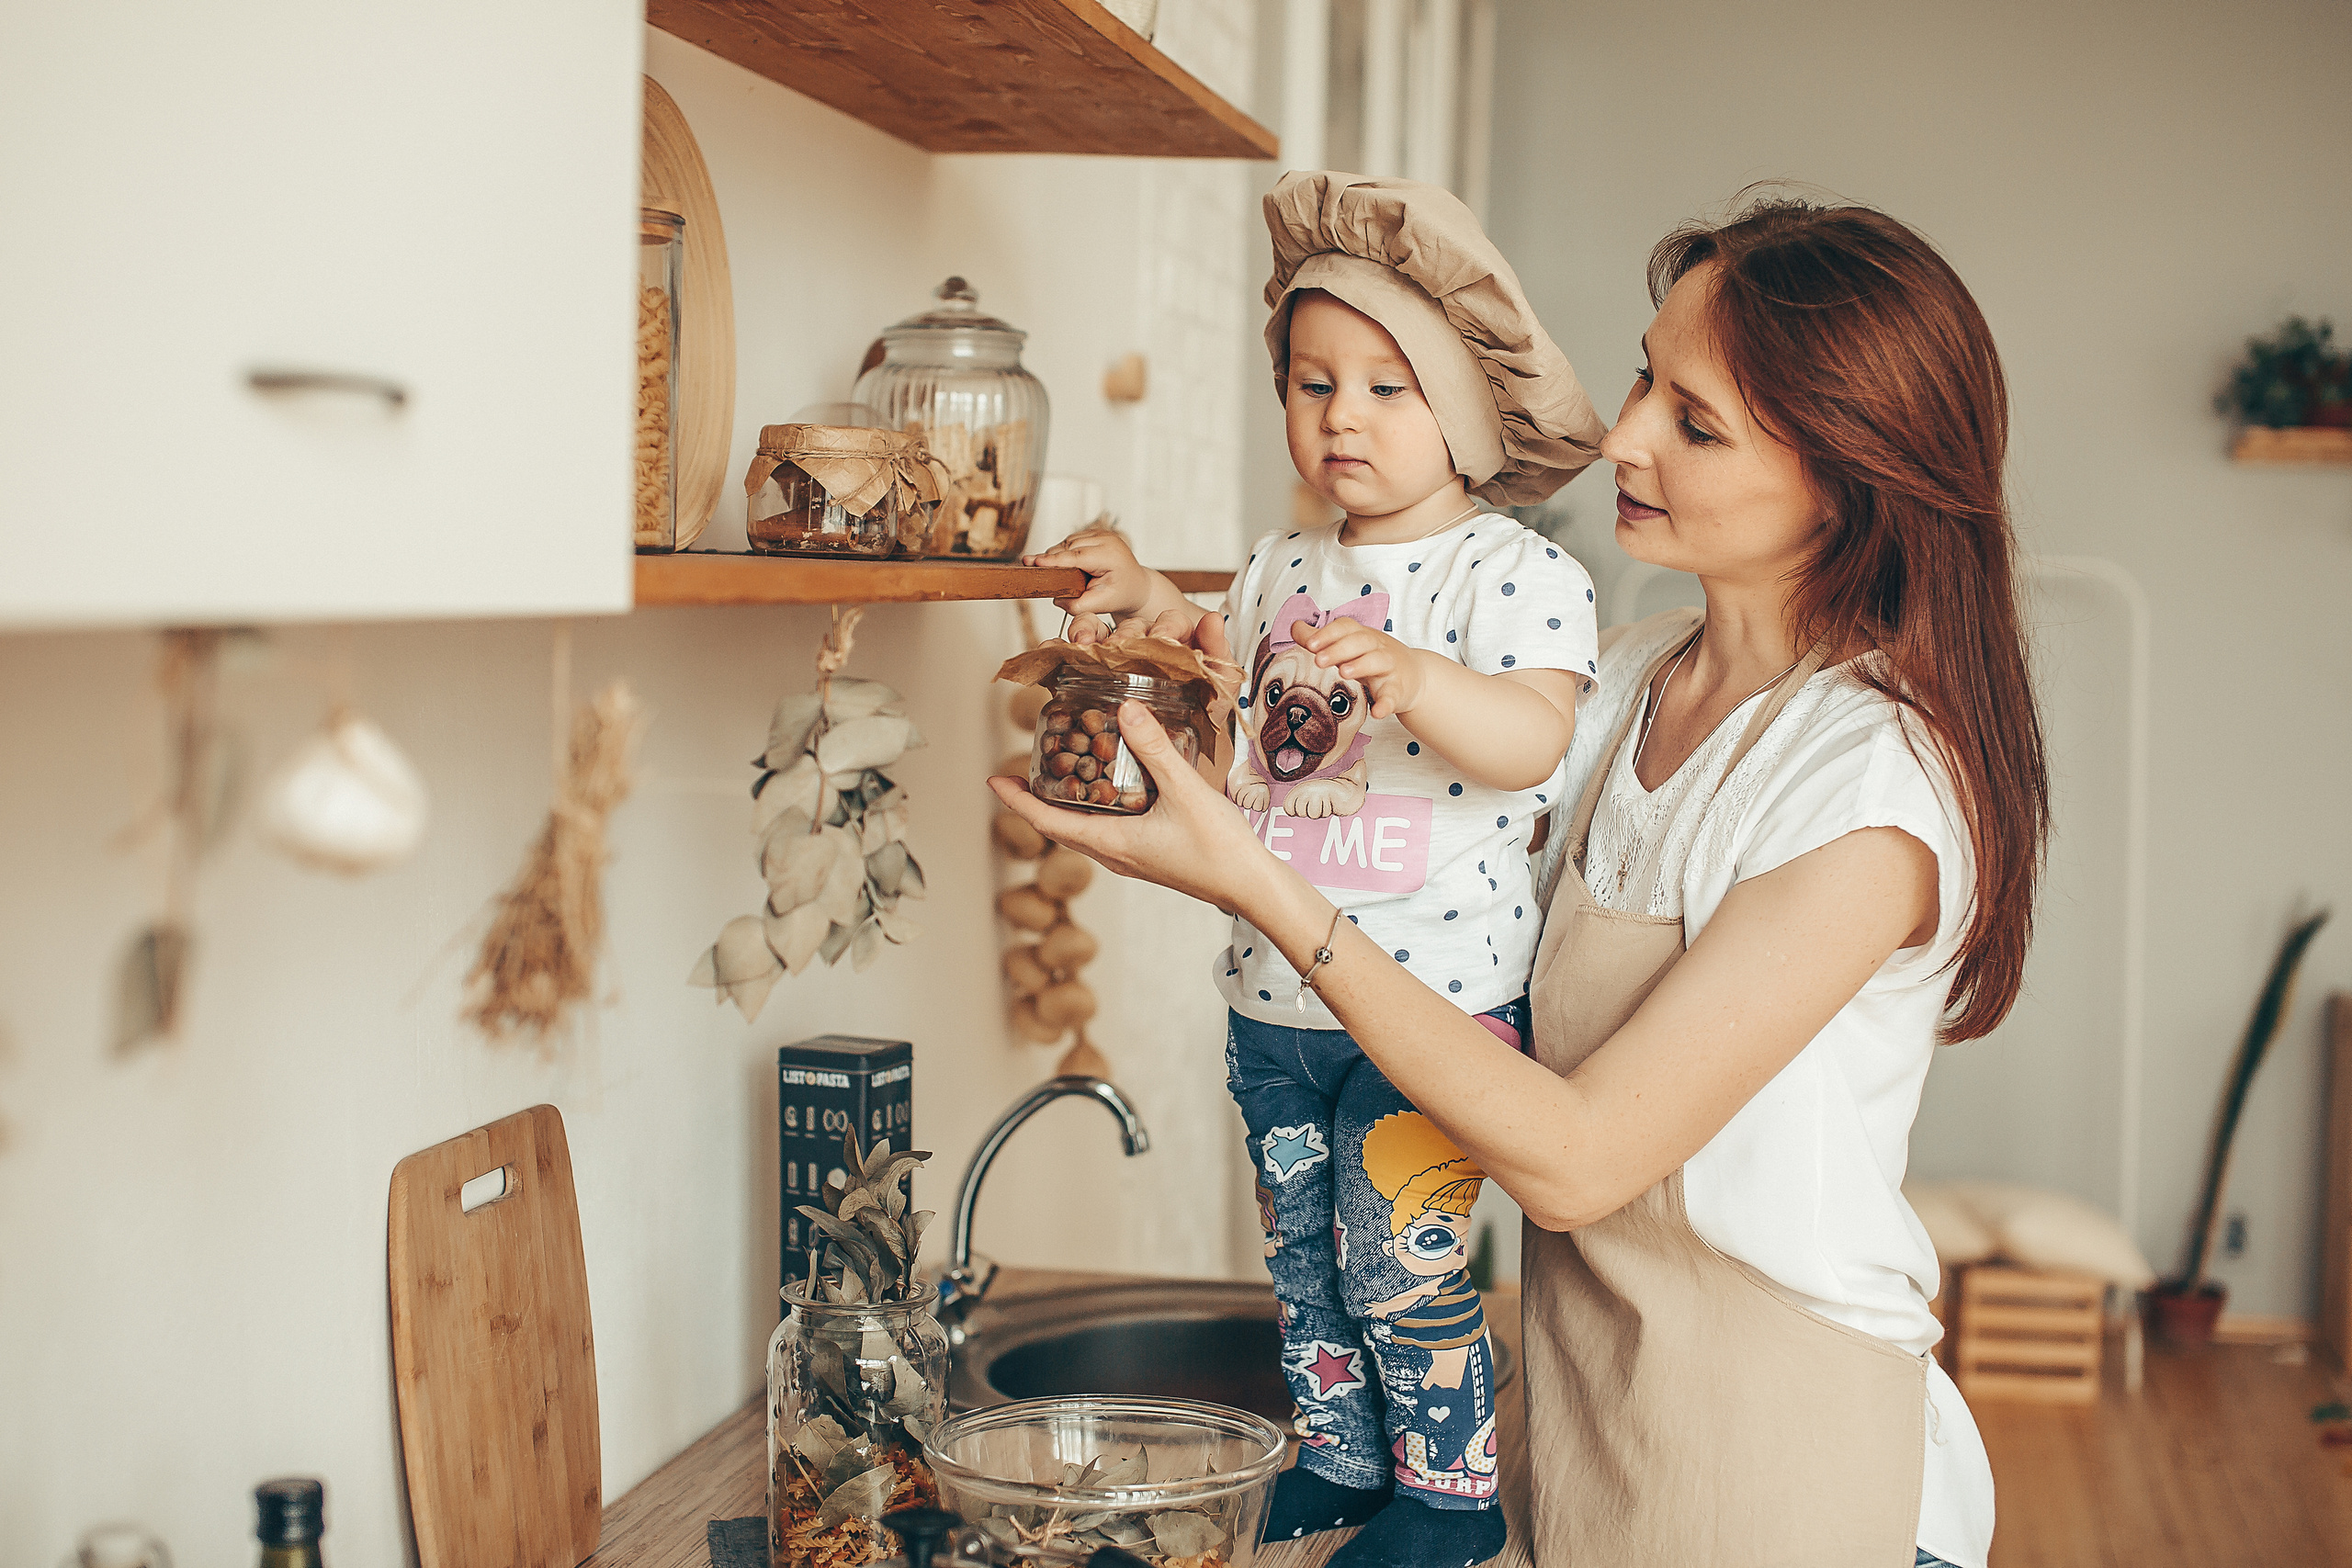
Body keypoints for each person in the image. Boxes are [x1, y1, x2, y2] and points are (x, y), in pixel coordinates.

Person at [992, 190, 2045, 1568]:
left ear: (1848, 481)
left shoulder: (1870, 786)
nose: (1623, 435)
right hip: (1586, 1414)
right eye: (1644, 378)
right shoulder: (1624, 679)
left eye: (1696, 421)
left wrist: (1259, 891)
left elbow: (1578, 1156)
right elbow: (1356, 691)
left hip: (1791, 1462)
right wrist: (1183, 631)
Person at [1026, 172, 1608, 1568]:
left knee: (1399, 1267)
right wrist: (1146, 604)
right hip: (1275, 1002)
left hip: (1437, 1012)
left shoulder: (1506, 573)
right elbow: (1222, 685)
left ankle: (1450, 1503)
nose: (1341, 414)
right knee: (1303, 1266)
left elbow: (1533, 736)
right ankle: (1344, 1466)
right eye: (1312, 379)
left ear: (1465, 414)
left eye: (1388, 387)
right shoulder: (1282, 561)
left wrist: (1415, 675)